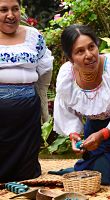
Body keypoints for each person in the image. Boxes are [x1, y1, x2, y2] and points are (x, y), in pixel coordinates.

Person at [53, 24, 110, 185]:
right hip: (93, 132)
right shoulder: (66, 76)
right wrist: (74, 135)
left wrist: (103, 135)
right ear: (70, 58)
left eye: (91, 47)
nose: (89, 55)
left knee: (109, 174)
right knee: (92, 174)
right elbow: (66, 110)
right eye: (80, 51)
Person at [0, 0, 53, 182]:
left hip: (28, 111)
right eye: (3, 10)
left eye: (15, 9)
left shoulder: (33, 36)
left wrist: (42, 101)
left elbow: (44, 68)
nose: (11, 15)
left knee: (27, 170)